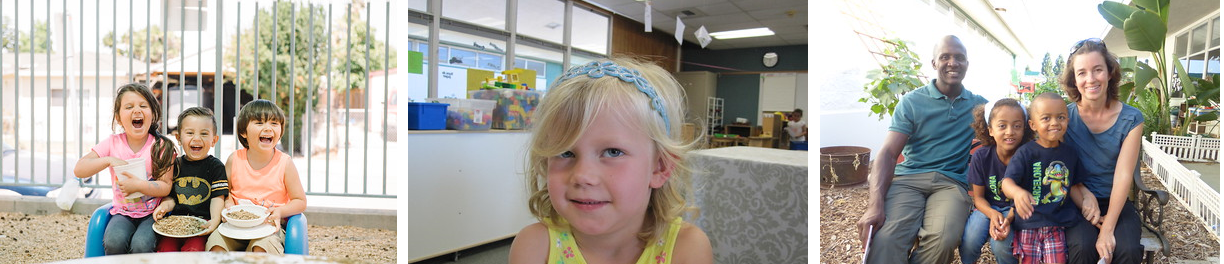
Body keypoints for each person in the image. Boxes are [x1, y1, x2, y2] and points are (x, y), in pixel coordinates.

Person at [507, 57, 714, 264]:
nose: (582, 176)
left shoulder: (687, 249)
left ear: (659, 168)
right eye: (565, 153)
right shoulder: (535, 247)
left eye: (613, 152)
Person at [856, 35, 988, 264]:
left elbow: (1011, 127)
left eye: (959, 58)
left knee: (943, 240)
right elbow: (887, 154)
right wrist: (874, 205)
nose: (952, 63)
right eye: (945, 57)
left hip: (951, 182)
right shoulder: (912, 102)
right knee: (885, 238)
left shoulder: (978, 106)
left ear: (967, 64)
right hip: (908, 179)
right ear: (934, 63)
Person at [1059, 38, 1145, 264]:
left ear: (1109, 73)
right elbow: (1061, 168)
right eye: (1082, 73)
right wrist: (1084, 197)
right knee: (1082, 247)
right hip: (1077, 200)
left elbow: (1124, 175)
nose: (1090, 79)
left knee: (1127, 250)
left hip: (1116, 201)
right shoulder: (1063, 119)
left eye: (1097, 70)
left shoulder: (1131, 119)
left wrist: (1107, 228)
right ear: (1074, 79)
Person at [73, 83, 176, 255]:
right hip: (122, 212)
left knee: (141, 245)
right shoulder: (112, 143)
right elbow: (79, 170)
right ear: (119, 118)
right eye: (129, 107)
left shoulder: (161, 146)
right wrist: (108, 160)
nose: (137, 110)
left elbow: (166, 186)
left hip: (153, 212)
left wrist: (138, 186)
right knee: (114, 241)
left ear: (153, 114)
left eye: (143, 106)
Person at [205, 99, 307, 254]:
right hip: (235, 226)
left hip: (268, 228)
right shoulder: (235, 159)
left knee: (261, 248)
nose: (268, 128)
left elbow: (300, 202)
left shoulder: (285, 163)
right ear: (243, 132)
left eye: (274, 123)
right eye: (259, 123)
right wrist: (228, 204)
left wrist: (279, 212)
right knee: (215, 244)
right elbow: (225, 192)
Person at [1000, 93, 1084, 264]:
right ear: (1033, 125)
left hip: (1057, 224)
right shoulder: (1025, 152)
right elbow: (1007, 183)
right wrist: (1017, 193)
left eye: (1060, 117)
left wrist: (1091, 213)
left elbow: (1074, 186)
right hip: (1028, 223)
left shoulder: (1070, 154)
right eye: (1046, 118)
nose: (1054, 123)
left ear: (1067, 120)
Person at [960, 98, 1031, 264]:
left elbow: (1027, 198)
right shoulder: (981, 157)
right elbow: (978, 198)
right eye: (1002, 125)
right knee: (970, 239)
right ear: (990, 129)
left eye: (1017, 126)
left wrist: (1006, 220)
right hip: (988, 207)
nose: (1010, 131)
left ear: (1025, 128)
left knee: (1001, 245)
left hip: (1016, 211)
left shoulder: (1029, 157)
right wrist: (993, 214)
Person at [153, 107, 228, 252]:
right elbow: (172, 198)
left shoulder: (215, 166)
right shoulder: (174, 165)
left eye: (204, 134)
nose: (197, 138)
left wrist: (214, 221)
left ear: (214, 140)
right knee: (164, 249)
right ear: (179, 139)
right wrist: (163, 207)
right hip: (176, 224)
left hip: (202, 224)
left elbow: (218, 198)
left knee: (194, 249)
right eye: (190, 133)